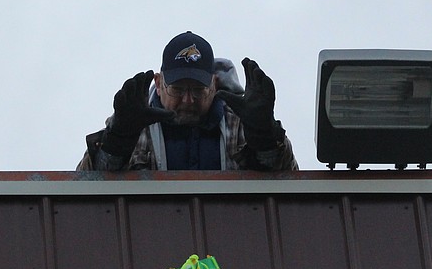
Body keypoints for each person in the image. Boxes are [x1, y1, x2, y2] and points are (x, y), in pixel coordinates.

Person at [77, 31, 297, 171]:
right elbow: (84, 188)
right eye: (178, 89)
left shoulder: (242, 123)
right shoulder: (132, 124)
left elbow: (290, 181)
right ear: (159, 82)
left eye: (199, 90)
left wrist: (265, 136)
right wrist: (117, 141)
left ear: (215, 84)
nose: (188, 100)